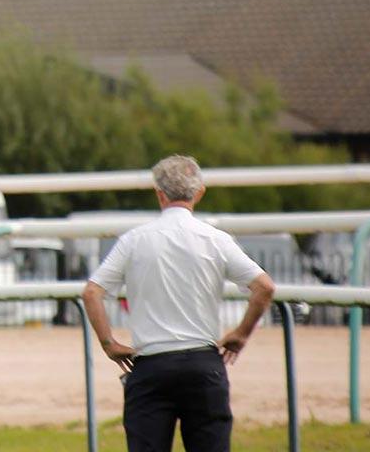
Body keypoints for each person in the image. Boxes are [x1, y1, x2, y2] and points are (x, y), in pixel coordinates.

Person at [81, 155, 277, 452]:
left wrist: (109, 343)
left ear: (159, 194)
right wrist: (240, 334)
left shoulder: (134, 240)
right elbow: (264, 287)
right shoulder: (216, 239)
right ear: (199, 192)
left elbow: (92, 293)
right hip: (203, 363)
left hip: (150, 365)